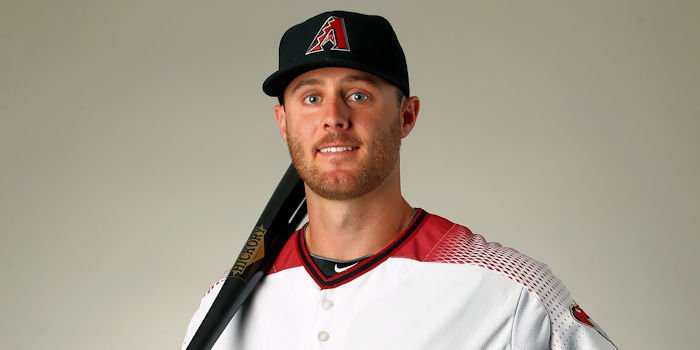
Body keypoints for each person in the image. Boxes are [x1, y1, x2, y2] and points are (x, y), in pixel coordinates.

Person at [183, 10, 616, 349]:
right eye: (311, 98)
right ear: (284, 121)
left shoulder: (510, 293)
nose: (334, 118)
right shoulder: (221, 309)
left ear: (406, 115)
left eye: (358, 95)